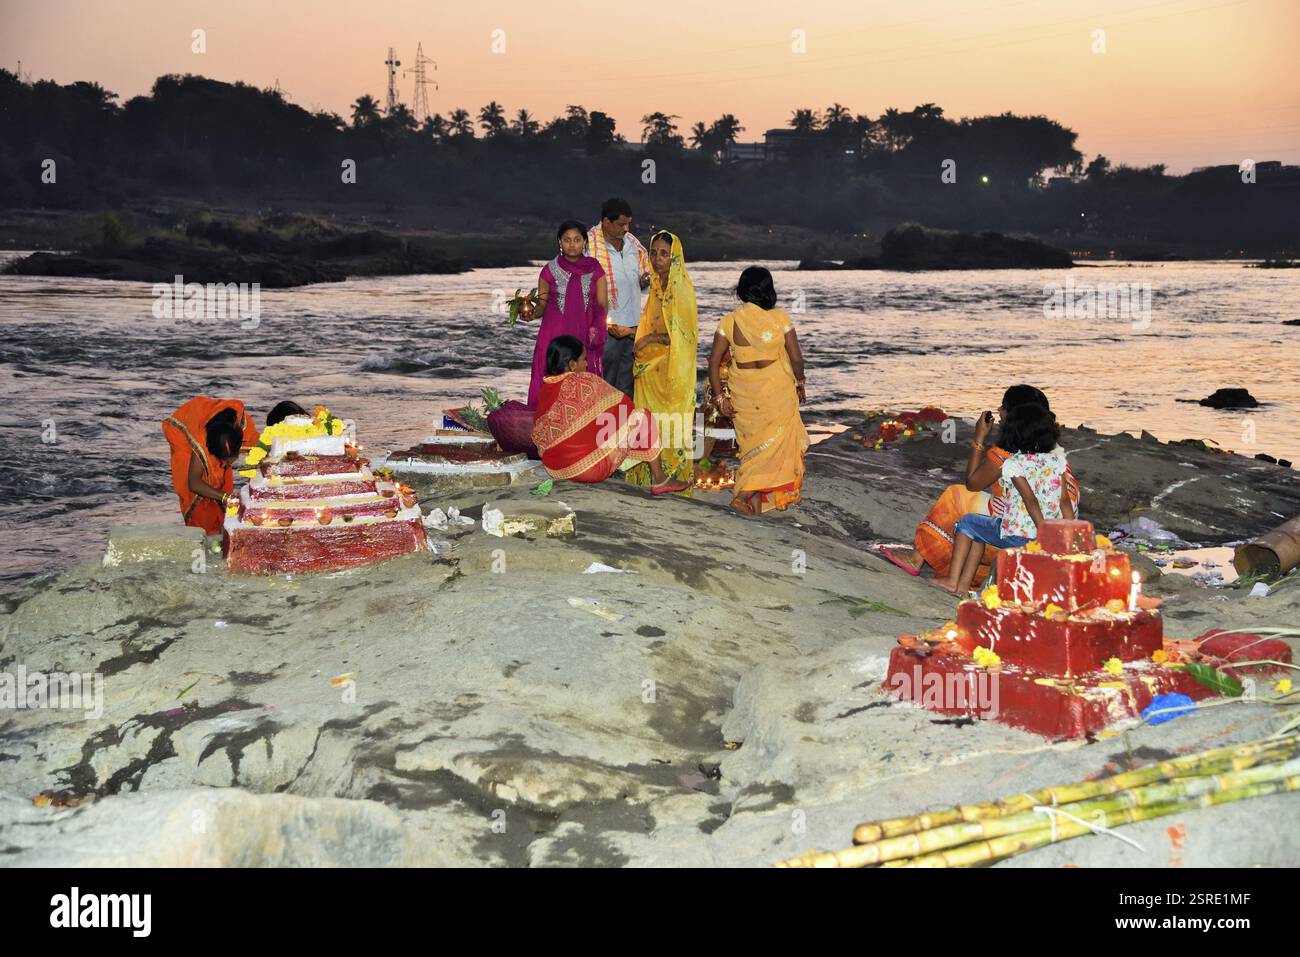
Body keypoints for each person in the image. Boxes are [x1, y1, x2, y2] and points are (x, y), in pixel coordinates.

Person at [880, 385, 1080, 578]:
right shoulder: (1054, 453)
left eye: (1003, 407)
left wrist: (979, 437)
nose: (999, 411)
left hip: (1024, 539)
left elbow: (973, 483)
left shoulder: (1007, 455)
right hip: (1060, 538)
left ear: (1014, 417)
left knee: (957, 496)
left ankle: (917, 559)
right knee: (996, 509)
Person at [935, 401, 1075, 594]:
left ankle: (953, 581)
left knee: (967, 523)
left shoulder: (1014, 463)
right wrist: (1070, 534)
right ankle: (963, 586)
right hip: (1050, 533)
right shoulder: (1057, 461)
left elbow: (1030, 499)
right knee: (979, 530)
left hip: (1020, 536)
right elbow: (1064, 501)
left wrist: (1043, 535)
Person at [707, 266, 809, 515]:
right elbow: (796, 357)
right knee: (775, 446)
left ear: (741, 290)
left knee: (753, 448)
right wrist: (800, 380)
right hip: (776, 389)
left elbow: (712, 361)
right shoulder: (781, 318)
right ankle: (742, 496)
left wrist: (720, 397)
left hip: (744, 392)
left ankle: (753, 502)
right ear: (768, 290)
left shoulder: (729, 321)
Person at [531, 335, 689, 491]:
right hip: (586, 471)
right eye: (583, 360)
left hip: (554, 469)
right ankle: (660, 479)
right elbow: (626, 406)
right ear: (572, 365)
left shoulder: (546, 388)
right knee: (641, 417)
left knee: (597, 427)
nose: (586, 364)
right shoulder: (584, 381)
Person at [626, 230, 698, 491]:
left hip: (672, 372)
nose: (657, 258)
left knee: (670, 422)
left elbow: (680, 336)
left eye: (664, 254)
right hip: (650, 369)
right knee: (647, 419)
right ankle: (653, 477)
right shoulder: (656, 286)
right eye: (654, 252)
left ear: (675, 258)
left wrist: (645, 341)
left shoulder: (682, 290)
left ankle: (669, 477)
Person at [523, 220, 609, 407]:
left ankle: (580, 429)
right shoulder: (549, 271)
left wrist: (596, 329)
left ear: (585, 242)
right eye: (567, 239)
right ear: (559, 242)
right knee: (552, 383)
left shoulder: (595, 270)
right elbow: (541, 306)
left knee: (582, 386)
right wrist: (530, 312)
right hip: (553, 336)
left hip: (584, 335)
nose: (572, 244)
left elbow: (602, 305)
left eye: (577, 239)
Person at [163, 396, 259, 535]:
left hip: (214, 429)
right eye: (223, 460)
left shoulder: (242, 425)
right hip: (182, 433)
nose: (226, 464)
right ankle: (205, 532)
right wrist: (227, 497)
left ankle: (219, 528)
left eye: (230, 459)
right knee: (201, 498)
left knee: (219, 481)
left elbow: (259, 450)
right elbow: (194, 483)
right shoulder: (200, 441)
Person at [587, 198, 650, 398]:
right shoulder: (588, 244)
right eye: (621, 224)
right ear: (606, 222)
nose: (626, 228)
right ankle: (599, 425)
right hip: (604, 327)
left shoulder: (633, 243)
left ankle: (622, 425)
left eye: (628, 223)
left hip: (633, 327)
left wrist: (646, 279)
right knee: (602, 381)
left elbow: (643, 277)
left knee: (628, 385)